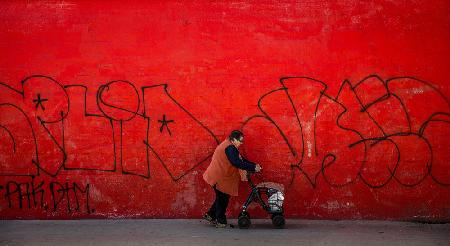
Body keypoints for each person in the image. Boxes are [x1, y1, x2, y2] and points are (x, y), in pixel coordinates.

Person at [202, 130, 262, 228]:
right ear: (234, 139)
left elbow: (240, 159)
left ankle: (210, 215)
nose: (241, 143)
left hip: (218, 176)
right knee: (223, 199)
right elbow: (236, 162)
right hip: (219, 177)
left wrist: (254, 165)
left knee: (221, 197)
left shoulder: (230, 145)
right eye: (240, 141)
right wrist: (253, 167)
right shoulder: (230, 148)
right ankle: (220, 221)